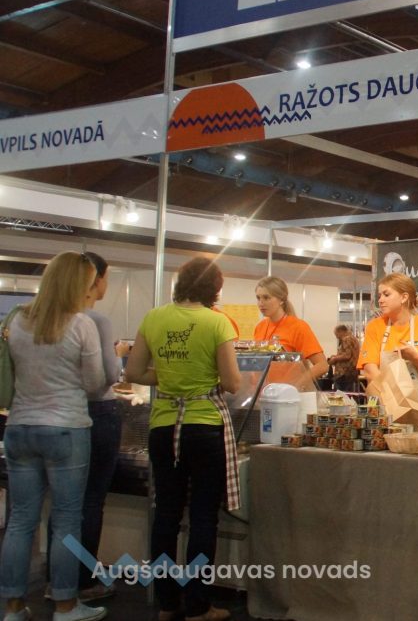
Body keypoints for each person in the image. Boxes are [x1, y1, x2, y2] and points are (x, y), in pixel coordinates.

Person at [126, 256, 241, 621]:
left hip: (163, 425)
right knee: (203, 517)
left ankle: (166, 603)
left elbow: (133, 372)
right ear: (214, 288)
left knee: (167, 514)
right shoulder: (216, 322)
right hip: (204, 426)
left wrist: (168, 377)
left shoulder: (154, 317)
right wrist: (201, 379)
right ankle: (198, 605)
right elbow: (232, 382)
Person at [1, 252, 108, 621]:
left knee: (20, 521)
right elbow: (94, 383)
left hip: (19, 427)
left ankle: (13, 607)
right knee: (65, 520)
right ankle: (65, 605)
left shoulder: (17, 321)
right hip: (66, 428)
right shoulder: (81, 324)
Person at [76, 253, 124, 602]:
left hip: (56, 416)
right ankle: (83, 581)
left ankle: (58, 581)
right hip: (97, 413)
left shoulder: (37, 317)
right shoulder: (95, 320)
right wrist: (118, 353)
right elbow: (107, 376)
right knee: (92, 499)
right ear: (97, 280)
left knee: (65, 504)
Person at [359, 273, 418, 437]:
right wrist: (395, 404)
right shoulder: (374, 327)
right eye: (379, 295)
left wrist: (415, 358)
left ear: (404, 297)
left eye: (386, 294)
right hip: (388, 412)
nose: (380, 300)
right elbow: (370, 370)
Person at [253, 276, 328, 386]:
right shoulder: (260, 327)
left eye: (266, 298)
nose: (261, 303)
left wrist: (296, 385)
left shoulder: (298, 327)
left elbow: (322, 365)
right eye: (258, 298)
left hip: (286, 393)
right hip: (263, 391)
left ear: (281, 300)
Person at [327, 324, 360, 393]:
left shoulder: (346, 339)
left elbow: (347, 355)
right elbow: (349, 354)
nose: (337, 337)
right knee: (349, 394)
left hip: (343, 373)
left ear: (341, 332)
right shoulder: (354, 339)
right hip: (352, 372)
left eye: (336, 334)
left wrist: (334, 359)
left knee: (339, 395)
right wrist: (336, 356)